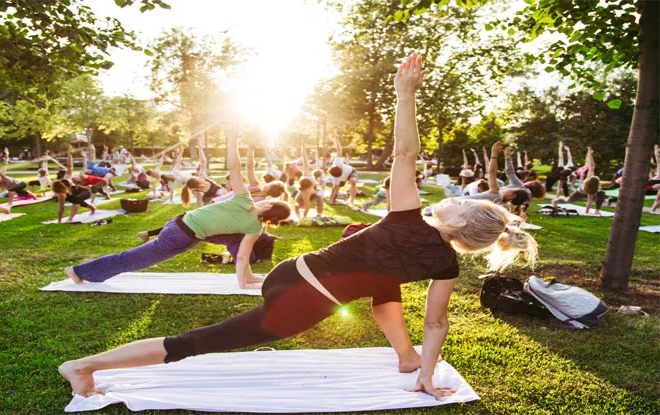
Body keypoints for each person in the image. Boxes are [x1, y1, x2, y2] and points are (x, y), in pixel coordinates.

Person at [59, 54, 538, 401]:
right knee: (198, 343)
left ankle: (405, 357)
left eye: (459, 200)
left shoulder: (407, 217)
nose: (451, 197)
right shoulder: (443, 262)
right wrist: (429, 376)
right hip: (303, 304)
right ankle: (83, 367)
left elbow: (405, 155)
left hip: (290, 273)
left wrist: (405, 95)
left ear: (457, 219)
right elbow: (437, 322)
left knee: (384, 281)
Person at [64, 122, 292, 289]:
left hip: (186, 230)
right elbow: (235, 168)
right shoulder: (247, 207)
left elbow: (242, 256)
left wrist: (244, 280)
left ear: (270, 206)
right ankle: (78, 271)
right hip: (179, 233)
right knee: (134, 259)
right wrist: (233, 142)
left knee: (233, 238)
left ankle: (250, 276)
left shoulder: (251, 223)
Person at [552, 147, 606, 215]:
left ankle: (597, 210)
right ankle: (555, 201)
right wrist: (590, 154)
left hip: (586, 192)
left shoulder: (591, 184)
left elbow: (589, 202)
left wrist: (586, 212)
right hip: (578, 194)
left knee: (601, 193)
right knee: (567, 200)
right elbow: (592, 166)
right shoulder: (590, 181)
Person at [52, 147, 98, 224]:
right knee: (77, 200)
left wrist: (69, 155)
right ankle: (93, 208)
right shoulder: (61, 195)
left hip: (84, 192)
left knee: (77, 200)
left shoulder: (66, 179)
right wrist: (59, 221)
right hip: (74, 196)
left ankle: (70, 218)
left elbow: (70, 167)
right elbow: (61, 208)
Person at [180, 140, 227, 207]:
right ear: (197, 185)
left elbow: (203, 161)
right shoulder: (198, 192)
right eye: (197, 179)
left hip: (223, 193)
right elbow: (199, 206)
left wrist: (200, 148)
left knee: (221, 193)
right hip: (212, 201)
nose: (198, 178)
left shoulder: (202, 177)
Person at [293, 142, 324, 218]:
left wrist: (303, 149)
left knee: (319, 196)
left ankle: (319, 214)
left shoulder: (307, 176)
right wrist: (304, 217)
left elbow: (305, 162)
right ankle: (296, 207)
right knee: (301, 206)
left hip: (313, 194)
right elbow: (307, 206)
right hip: (300, 199)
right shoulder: (305, 192)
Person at [327, 134, 359, 205]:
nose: (341, 168)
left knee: (353, 181)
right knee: (335, 188)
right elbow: (336, 191)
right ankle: (332, 198)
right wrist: (333, 201)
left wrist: (336, 139)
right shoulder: (335, 178)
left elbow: (339, 149)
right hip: (343, 179)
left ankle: (351, 200)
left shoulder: (337, 162)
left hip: (351, 172)